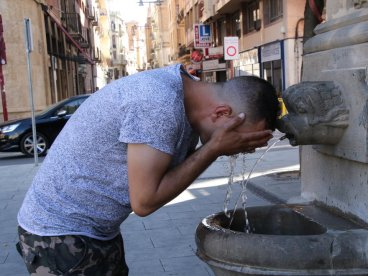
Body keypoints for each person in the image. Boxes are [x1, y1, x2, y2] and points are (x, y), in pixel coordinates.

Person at [16, 64, 281, 275]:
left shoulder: (186, 97)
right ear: (222, 112)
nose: (238, 147)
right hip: (59, 236)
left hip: (95, 232)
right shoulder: (159, 104)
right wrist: (214, 148)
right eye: (240, 138)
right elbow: (144, 202)